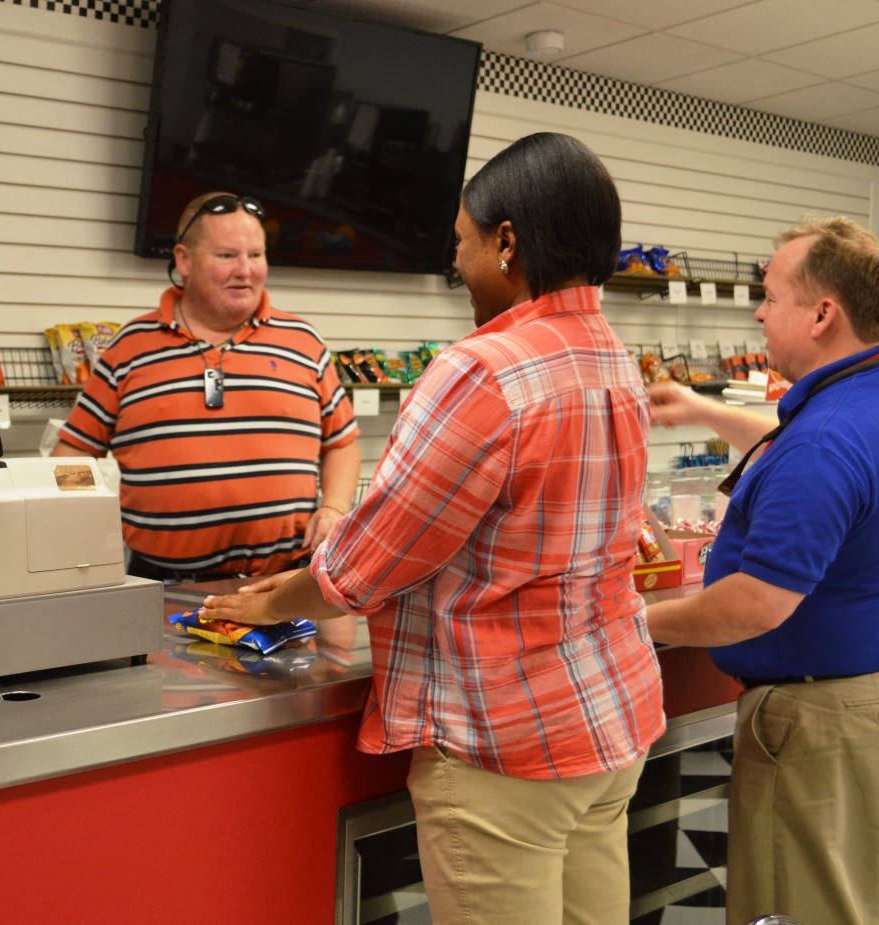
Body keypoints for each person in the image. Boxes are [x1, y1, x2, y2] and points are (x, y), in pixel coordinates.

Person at [201, 133, 664, 924]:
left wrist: (279, 600)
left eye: (463, 244)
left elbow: (379, 557)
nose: (458, 266)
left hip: (504, 746)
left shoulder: (485, 368)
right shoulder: (613, 356)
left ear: (507, 243)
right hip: (609, 719)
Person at [644, 217, 879, 925]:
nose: (756, 310)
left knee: (799, 908)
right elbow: (808, 455)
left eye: (770, 294)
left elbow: (754, 603)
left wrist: (632, 618)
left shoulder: (829, 436)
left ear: (821, 313)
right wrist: (702, 410)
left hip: (825, 724)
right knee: (867, 904)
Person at [50, 192, 360, 581]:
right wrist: (77, 534)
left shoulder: (303, 340)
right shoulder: (130, 346)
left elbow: (341, 443)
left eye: (256, 255)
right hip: (159, 584)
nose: (245, 271)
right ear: (184, 260)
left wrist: (333, 508)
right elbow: (74, 450)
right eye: (227, 256)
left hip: (283, 584)